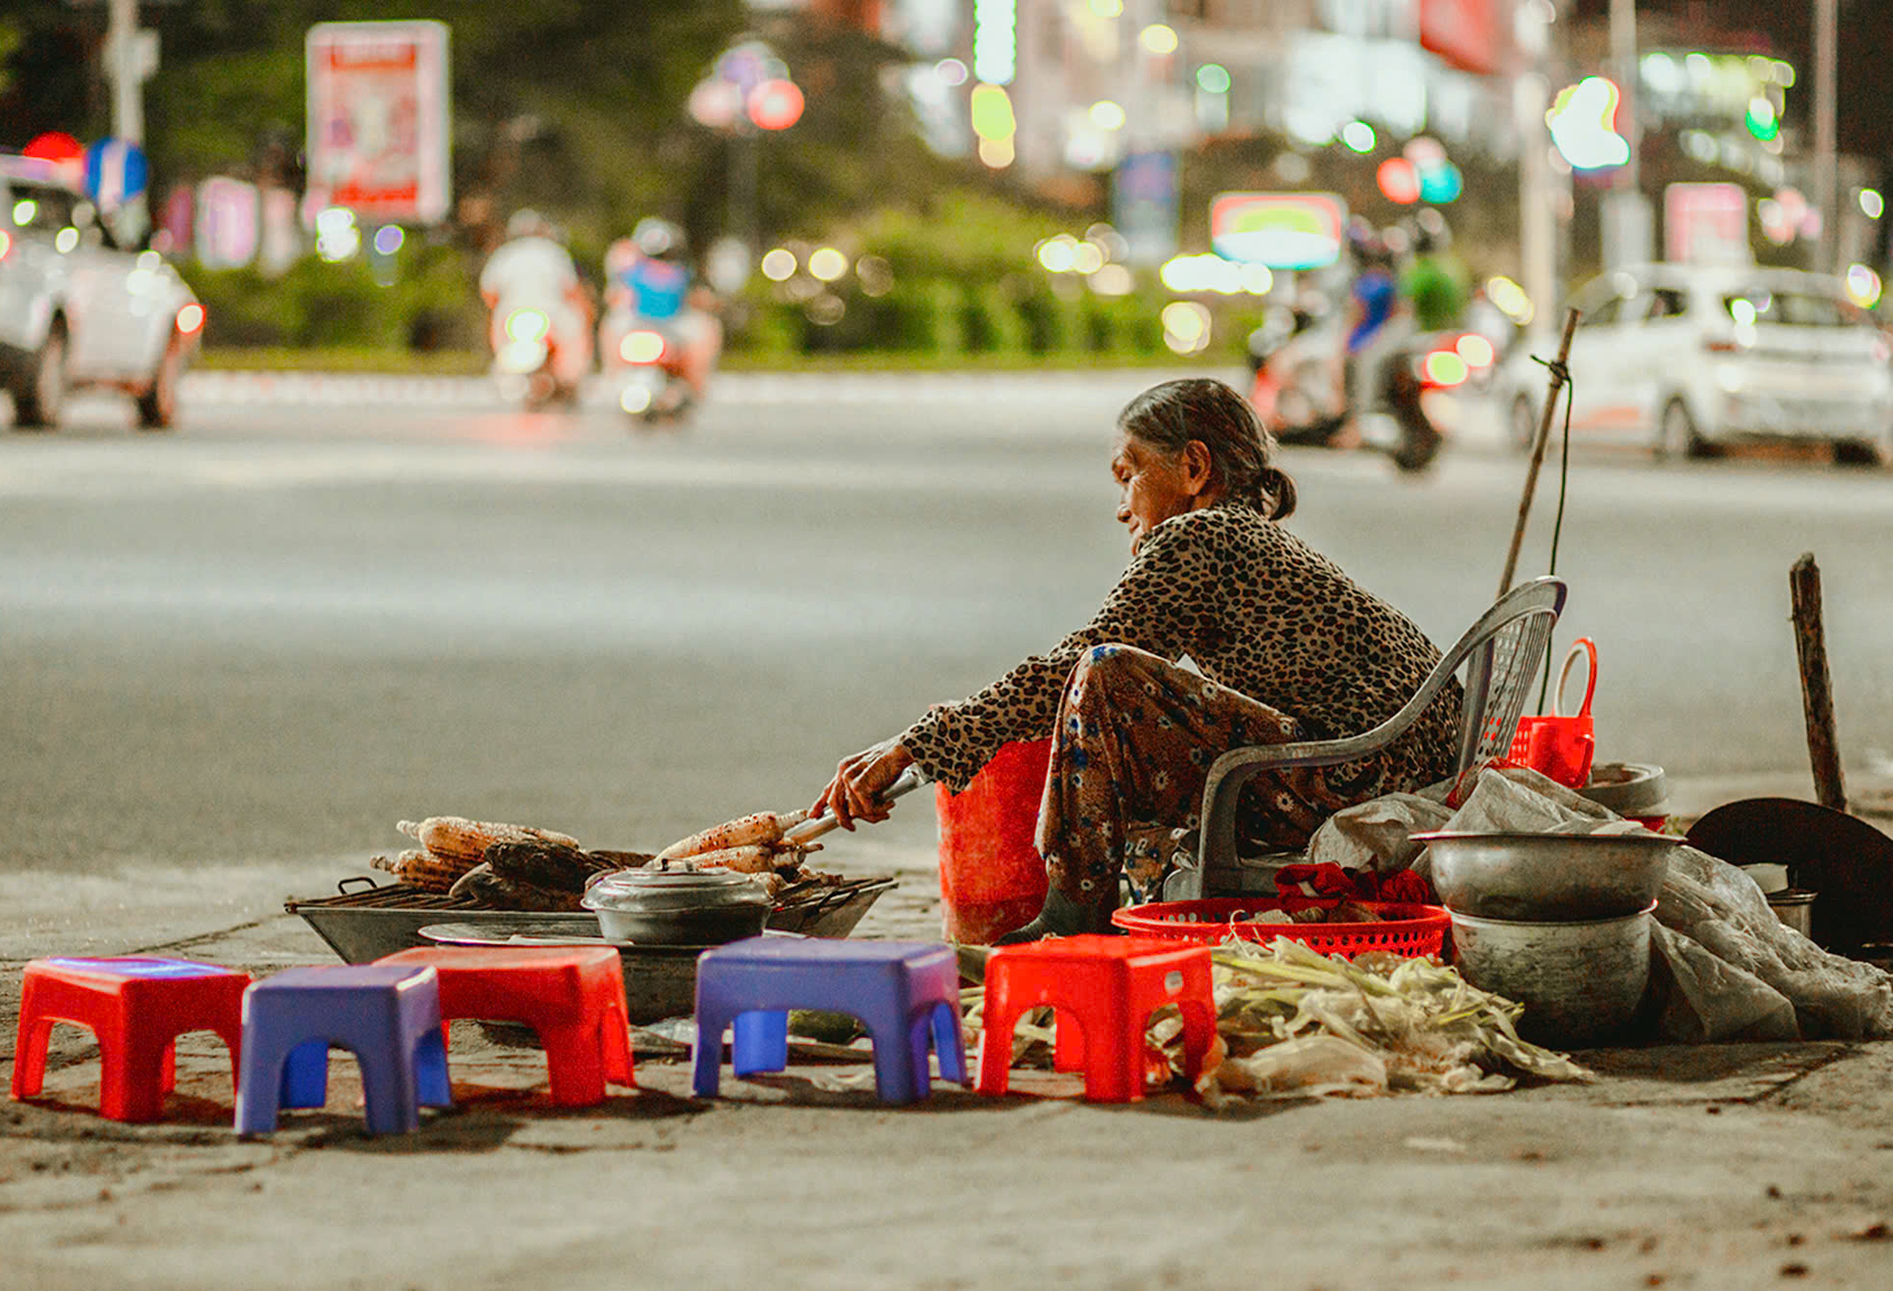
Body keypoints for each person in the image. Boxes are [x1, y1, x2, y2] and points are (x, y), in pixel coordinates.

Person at [810, 378, 1461, 941]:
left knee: (1106, 674)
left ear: (1194, 468)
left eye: (1129, 476)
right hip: (1381, 766)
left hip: (1352, 777)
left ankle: (1074, 914)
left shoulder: (1201, 534)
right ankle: (1129, 898)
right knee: (1119, 704)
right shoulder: (1246, 537)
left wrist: (918, 744)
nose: (1122, 509)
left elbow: (1072, 671)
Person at [600, 216, 722, 399]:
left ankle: (695, 386)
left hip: (668, 330)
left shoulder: (675, 273)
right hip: (641, 327)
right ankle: (696, 387)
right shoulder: (675, 272)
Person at [480, 210, 593, 391]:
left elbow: (489, 294)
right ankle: (569, 378)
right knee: (575, 337)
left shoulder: (503, 255)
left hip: (512, 315)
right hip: (552, 315)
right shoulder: (555, 253)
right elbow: (573, 292)